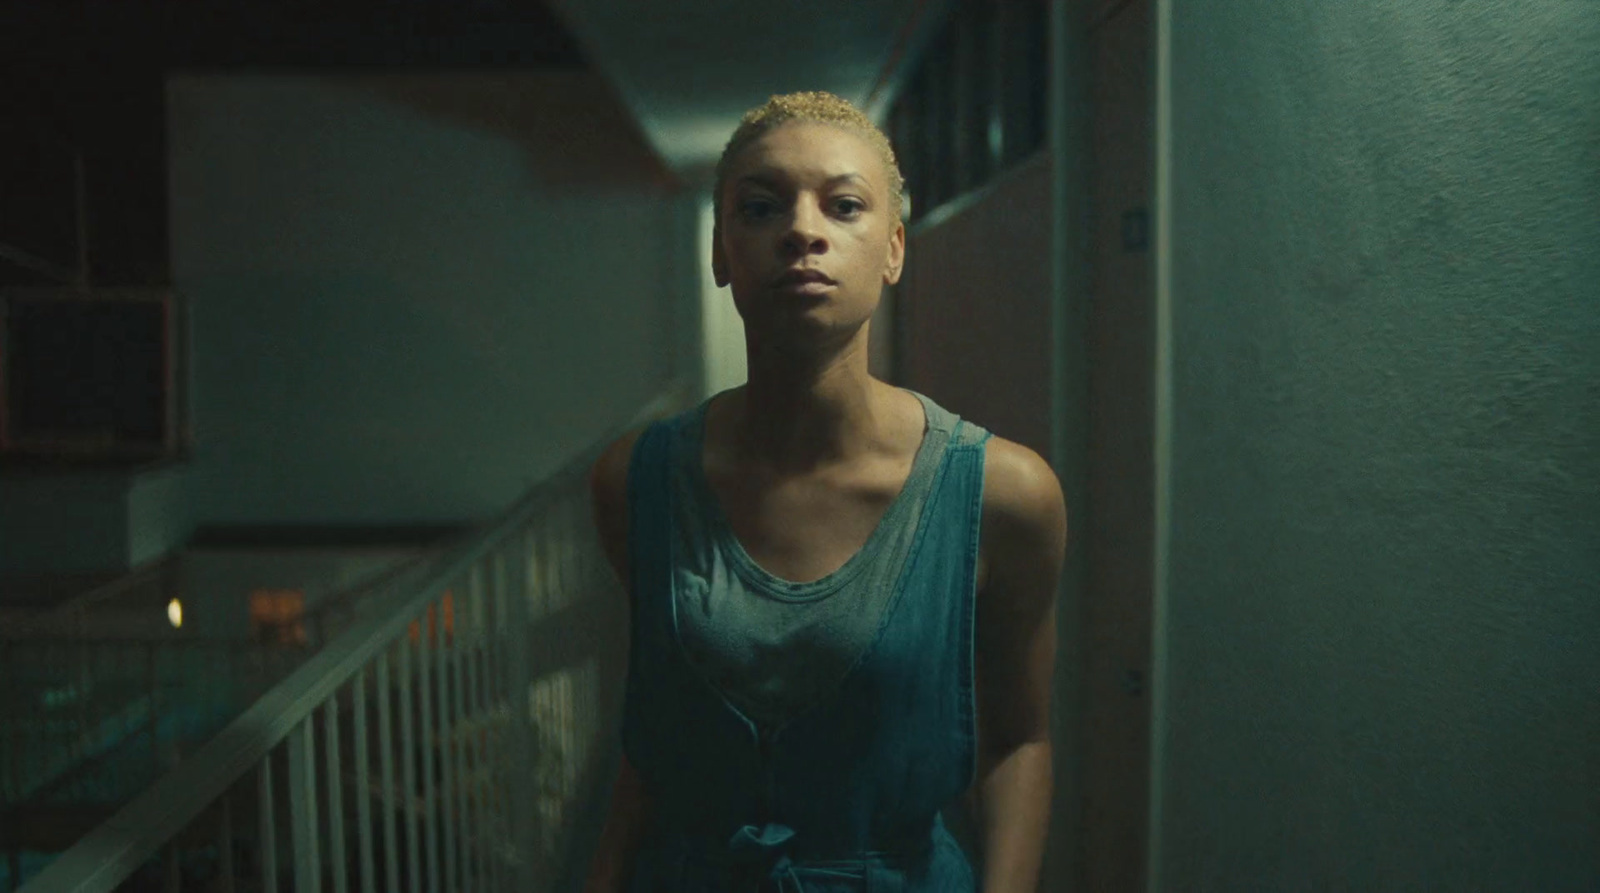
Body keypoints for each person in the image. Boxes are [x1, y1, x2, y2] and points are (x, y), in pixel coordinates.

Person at [585, 90, 1067, 893]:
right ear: (720, 251)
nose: (803, 231)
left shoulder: (1001, 494)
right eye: (762, 205)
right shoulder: (636, 481)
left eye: (843, 206)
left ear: (893, 249)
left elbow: (1020, 738)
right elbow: (657, 741)